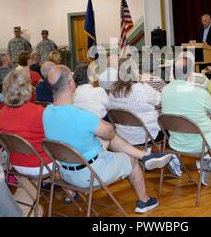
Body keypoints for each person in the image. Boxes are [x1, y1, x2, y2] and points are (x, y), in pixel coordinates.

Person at [43, 65, 173, 213]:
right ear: (71, 84)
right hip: (89, 173)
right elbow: (110, 133)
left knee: (104, 137)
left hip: (65, 173)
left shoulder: (46, 112)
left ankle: (146, 155)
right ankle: (144, 200)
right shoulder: (82, 116)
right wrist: (104, 126)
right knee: (130, 159)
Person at [161, 56, 211, 185]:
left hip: (176, 142)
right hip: (201, 143)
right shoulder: (199, 92)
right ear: (190, 73)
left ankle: (206, 161)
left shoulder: (165, 91)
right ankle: (208, 162)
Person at [0, 69, 53, 217]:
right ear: (28, 88)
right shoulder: (39, 112)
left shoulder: (1, 114)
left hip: (17, 164)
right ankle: (71, 191)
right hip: (41, 165)